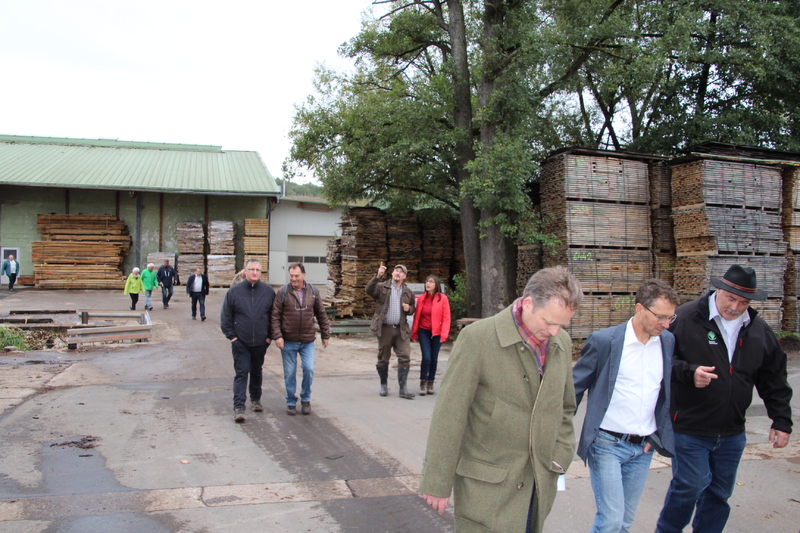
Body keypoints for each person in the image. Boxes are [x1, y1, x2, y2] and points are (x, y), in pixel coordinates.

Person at [420, 266, 583, 532]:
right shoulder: (478, 339)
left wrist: (560, 455)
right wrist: (436, 481)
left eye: (562, 325)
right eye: (549, 322)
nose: (555, 331)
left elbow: (564, 409)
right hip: (486, 492)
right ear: (528, 303)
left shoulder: (561, 344)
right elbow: (450, 414)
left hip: (537, 487)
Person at [656, 264, 793, 533]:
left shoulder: (758, 330)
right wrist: (689, 372)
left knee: (719, 494)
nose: (736, 307)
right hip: (689, 426)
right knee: (690, 486)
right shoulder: (684, 318)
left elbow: (774, 378)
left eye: (743, 302)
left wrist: (781, 420)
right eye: (731, 298)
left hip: (732, 432)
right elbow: (655, 360)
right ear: (719, 290)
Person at [573, 279, 679, 533]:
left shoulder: (667, 342)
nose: (665, 325)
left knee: (624, 522)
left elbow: (664, 393)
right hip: (607, 443)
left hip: (643, 448)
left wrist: (658, 434)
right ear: (639, 308)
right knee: (610, 520)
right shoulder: (605, 341)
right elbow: (574, 388)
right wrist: (558, 432)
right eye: (661, 317)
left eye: (670, 319)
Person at [271, 262, 331, 415]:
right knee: (290, 372)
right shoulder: (283, 292)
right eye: (291, 276)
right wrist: (277, 336)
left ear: (304, 275)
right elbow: (275, 316)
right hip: (288, 340)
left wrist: (325, 335)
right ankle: (291, 401)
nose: (293, 279)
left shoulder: (313, 292)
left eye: (296, 276)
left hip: (307, 341)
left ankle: (305, 399)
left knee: (309, 368)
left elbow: (321, 314)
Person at [219, 259, 275, 423]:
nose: (255, 273)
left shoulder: (268, 292)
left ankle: (256, 399)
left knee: (257, 371)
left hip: (260, 342)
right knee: (242, 372)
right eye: (252, 269)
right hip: (240, 342)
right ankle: (239, 407)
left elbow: (274, 316)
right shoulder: (234, 292)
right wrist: (233, 338)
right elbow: (225, 317)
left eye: (258, 270)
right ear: (245, 271)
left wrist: (269, 337)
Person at [366, 263, 416, 399]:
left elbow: (413, 308)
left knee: (405, 357)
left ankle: (403, 389)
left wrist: (409, 309)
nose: (398, 273)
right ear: (392, 273)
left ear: (404, 276)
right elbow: (369, 290)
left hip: (401, 330)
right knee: (383, 358)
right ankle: (383, 385)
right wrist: (378, 276)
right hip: (385, 328)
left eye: (401, 272)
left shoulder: (408, 292)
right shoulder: (382, 287)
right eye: (396, 271)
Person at [411, 274, 451, 396]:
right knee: (426, 357)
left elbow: (446, 317)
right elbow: (416, 316)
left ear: (436, 284)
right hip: (424, 331)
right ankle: (423, 381)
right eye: (427, 281)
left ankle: (430, 382)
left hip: (437, 332)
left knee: (434, 359)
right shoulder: (422, 298)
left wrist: (444, 334)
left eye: (431, 282)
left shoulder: (442, 298)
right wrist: (414, 332)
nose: (428, 283)